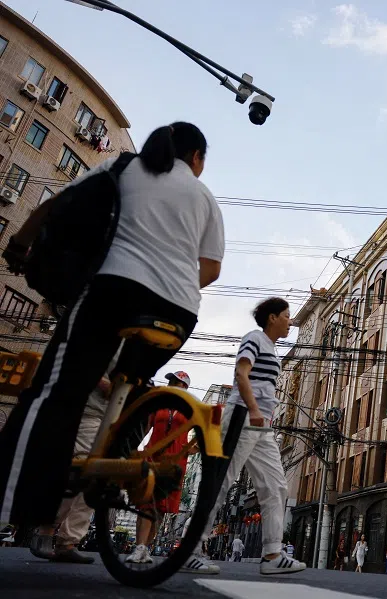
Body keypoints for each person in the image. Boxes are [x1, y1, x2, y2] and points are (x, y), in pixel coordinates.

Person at [0, 123, 224, 540]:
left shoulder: (124, 166)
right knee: (125, 392)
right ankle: (109, 461)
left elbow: (58, 204)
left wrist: (20, 243)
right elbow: (209, 270)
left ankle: (19, 503)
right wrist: (170, 284)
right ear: (197, 158)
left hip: (114, 292)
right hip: (178, 313)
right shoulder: (205, 197)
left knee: (56, 392)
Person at [182, 298, 305, 575]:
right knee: (221, 483)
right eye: (286, 316)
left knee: (276, 486)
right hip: (242, 416)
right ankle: (190, 551)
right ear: (272, 318)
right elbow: (241, 373)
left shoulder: (272, 351)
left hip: (262, 425)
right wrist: (252, 408)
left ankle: (273, 554)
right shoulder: (255, 338)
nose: (290, 321)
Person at [29, 353, 122, 564]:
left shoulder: (129, 344)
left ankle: (67, 541)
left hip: (109, 417)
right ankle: (47, 530)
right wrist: (104, 384)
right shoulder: (100, 340)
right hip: (87, 413)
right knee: (79, 474)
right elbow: (79, 363)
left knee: (95, 480)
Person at [125, 371, 193, 564]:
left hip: (175, 462)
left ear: (185, 387)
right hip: (153, 457)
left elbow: (198, 434)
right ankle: (139, 547)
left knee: (160, 510)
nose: (172, 384)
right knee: (147, 502)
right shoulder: (159, 406)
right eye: (171, 381)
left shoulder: (189, 409)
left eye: (177, 382)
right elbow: (145, 428)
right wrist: (135, 448)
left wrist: (188, 450)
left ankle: (145, 548)